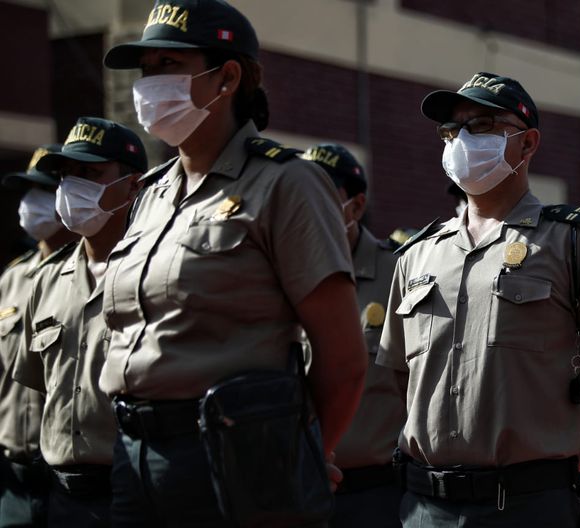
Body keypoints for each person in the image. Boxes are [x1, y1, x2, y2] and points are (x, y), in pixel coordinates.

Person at [99, 0, 367, 525]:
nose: (150, 85)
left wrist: (299, 455)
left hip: (236, 457)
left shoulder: (286, 182)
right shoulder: (150, 196)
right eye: (146, 70)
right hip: (134, 456)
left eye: (169, 65)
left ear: (227, 78)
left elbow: (343, 361)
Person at [377, 71, 580, 526]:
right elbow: (398, 376)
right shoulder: (418, 254)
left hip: (526, 502)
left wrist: (575, 439)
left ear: (528, 143)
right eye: (452, 129)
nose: (463, 140)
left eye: (482, 125)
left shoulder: (574, 241)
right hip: (426, 505)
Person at [12, 118, 146, 527]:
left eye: (89, 173)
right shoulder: (46, 279)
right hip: (63, 495)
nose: (72, 187)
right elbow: (38, 384)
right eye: (66, 175)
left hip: (133, 489)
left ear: (132, 186)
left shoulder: (153, 271)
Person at [301, 143, 406, 527]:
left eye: (323, 196)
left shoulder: (399, 273)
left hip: (375, 495)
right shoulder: (279, 271)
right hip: (296, 488)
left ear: (356, 207)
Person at [0, 144, 76, 526]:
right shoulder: (11, 279)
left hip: (71, 478)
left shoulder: (93, 270)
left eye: (45, 190)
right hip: (13, 477)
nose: (31, 201)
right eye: (28, 190)